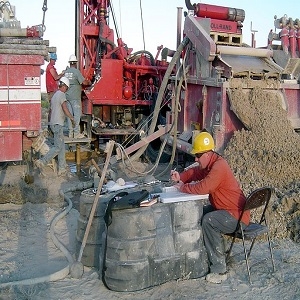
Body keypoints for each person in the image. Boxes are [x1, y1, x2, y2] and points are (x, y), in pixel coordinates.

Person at [170, 131, 250, 284]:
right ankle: (218, 251)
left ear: (207, 154)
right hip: (228, 211)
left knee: (209, 220)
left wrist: (182, 188)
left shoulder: (219, 167)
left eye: (198, 155)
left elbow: (203, 187)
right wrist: (181, 177)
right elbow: (195, 172)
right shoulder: (212, 162)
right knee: (200, 212)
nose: (196, 158)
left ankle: (219, 270)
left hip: (237, 216)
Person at [35, 77, 75, 178]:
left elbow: (50, 111)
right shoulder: (61, 95)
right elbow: (64, 108)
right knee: (57, 147)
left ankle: (61, 168)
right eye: (67, 88)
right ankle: (42, 161)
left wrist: (49, 124)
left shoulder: (54, 96)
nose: (66, 90)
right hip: (58, 124)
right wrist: (72, 118)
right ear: (65, 86)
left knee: (61, 146)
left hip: (53, 123)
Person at [64, 54, 91, 138]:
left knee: (69, 115)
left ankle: (70, 133)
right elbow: (84, 83)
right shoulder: (76, 72)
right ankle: (76, 133)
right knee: (77, 114)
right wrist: (89, 82)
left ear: (69, 63)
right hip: (75, 97)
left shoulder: (66, 72)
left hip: (67, 96)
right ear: (75, 63)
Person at [45, 53, 65, 129]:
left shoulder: (50, 67)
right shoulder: (50, 67)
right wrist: (63, 73)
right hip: (52, 90)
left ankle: (51, 126)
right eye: (54, 60)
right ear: (51, 59)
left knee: (53, 108)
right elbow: (56, 77)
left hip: (52, 90)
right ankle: (51, 126)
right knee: (53, 109)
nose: (55, 61)